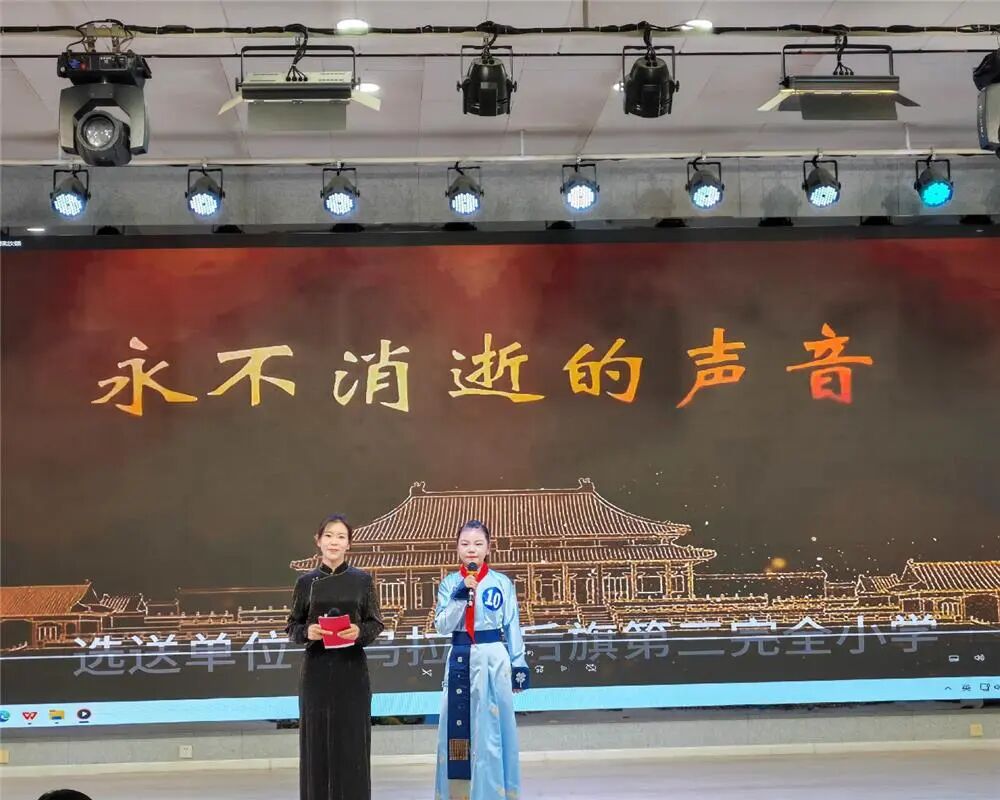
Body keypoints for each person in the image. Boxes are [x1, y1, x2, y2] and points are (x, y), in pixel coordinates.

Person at [286, 514, 384, 800]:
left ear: (348, 544)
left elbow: (376, 623)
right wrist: (308, 631)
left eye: (341, 537)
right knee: (316, 743)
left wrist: (358, 631)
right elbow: (292, 626)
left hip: (351, 670)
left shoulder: (362, 580)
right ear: (318, 541)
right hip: (316, 671)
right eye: (328, 535)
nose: (334, 542)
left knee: (352, 742)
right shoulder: (305, 582)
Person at [433, 519, 529, 800]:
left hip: (494, 658)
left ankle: (495, 793)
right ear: (457, 548)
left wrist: (518, 664)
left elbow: (512, 625)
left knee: (494, 729)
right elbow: (442, 626)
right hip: (460, 657)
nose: (471, 549)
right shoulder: (450, 583)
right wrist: (460, 595)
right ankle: (460, 794)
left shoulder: (501, 583)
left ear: (488, 548)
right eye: (465, 543)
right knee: (458, 727)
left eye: (478, 543)